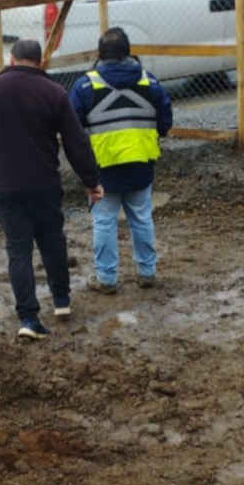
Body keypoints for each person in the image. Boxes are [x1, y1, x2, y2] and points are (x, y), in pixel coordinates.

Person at [0, 39, 104, 340]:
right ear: (40, 62)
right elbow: (77, 142)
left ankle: (29, 318)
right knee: (52, 241)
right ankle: (61, 301)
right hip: (44, 184)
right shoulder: (54, 93)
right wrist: (91, 182)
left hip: (5, 186)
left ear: (11, 59)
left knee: (18, 249)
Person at [68, 27, 173, 294]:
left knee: (104, 222)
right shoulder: (150, 82)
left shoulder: (85, 86)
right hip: (141, 165)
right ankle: (147, 273)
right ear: (129, 52)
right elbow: (165, 122)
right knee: (141, 218)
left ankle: (106, 279)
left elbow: (73, 129)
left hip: (102, 170)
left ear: (100, 54)